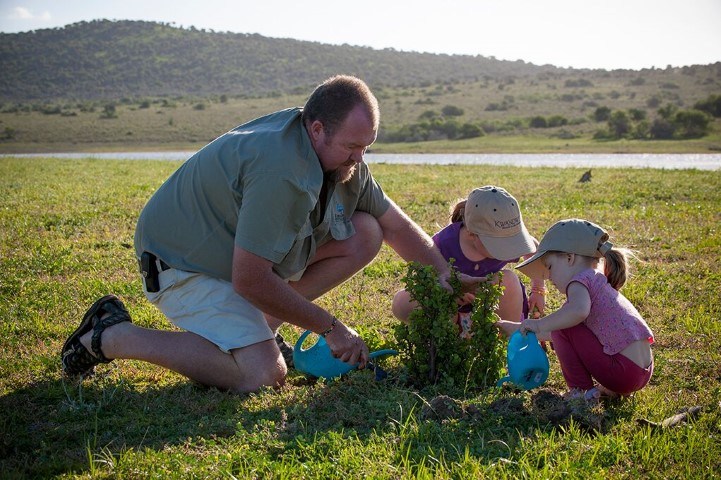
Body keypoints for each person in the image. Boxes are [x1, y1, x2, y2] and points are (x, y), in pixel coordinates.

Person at [61, 75, 458, 393]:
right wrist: (331, 328)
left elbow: (395, 225)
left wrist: (447, 280)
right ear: (317, 129)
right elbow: (249, 278)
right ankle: (111, 334)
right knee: (263, 375)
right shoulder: (280, 169)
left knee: (366, 231)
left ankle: (258, 329)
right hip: (181, 265)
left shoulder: (339, 160)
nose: (360, 158)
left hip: (234, 260)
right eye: (353, 146)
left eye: (367, 147)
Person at [499, 218, 654, 401]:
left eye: (550, 267)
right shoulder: (597, 281)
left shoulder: (579, 282)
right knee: (564, 325)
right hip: (641, 371)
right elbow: (571, 334)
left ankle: (580, 392)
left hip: (622, 371)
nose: (548, 276)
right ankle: (610, 390)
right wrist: (518, 328)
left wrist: (539, 324)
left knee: (563, 326)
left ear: (569, 258)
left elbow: (576, 315)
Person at [391, 186, 546, 337]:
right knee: (402, 301)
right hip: (451, 309)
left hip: (490, 305)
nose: (506, 250)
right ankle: (452, 338)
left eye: (511, 241)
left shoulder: (508, 240)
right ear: (472, 234)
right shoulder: (443, 243)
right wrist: (450, 292)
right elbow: (423, 277)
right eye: (499, 245)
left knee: (509, 279)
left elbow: (533, 250)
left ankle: (505, 337)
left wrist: (538, 289)